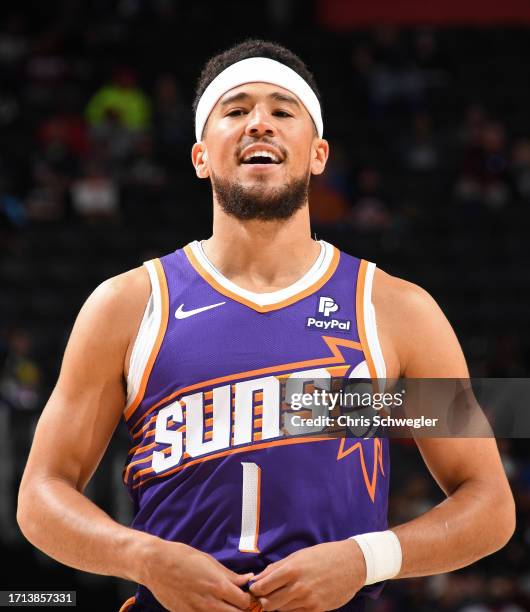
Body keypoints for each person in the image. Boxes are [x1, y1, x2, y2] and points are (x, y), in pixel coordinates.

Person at [17, 39, 515, 612]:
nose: (259, 123)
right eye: (235, 111)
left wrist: (363, 559)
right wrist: (142, 558)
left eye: (283, 111)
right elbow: (41, 495)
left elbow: (488, 505)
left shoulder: (395, 310)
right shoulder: (127, 305)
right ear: (201, 155)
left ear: (318, 153)